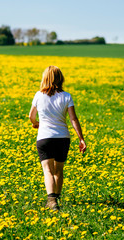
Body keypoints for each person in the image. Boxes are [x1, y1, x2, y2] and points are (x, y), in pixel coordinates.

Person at [29, 66, 86, 211]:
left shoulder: (38, 95)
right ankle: (57, 198)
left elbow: (31, 116)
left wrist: (36, 123)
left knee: (48, 170)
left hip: (44, 137)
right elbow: (73, 119)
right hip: (62, 138)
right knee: (58, 170)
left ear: (44, 78)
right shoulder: (66, 96)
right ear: (61, 79)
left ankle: (51, 200)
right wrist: (81, 138)